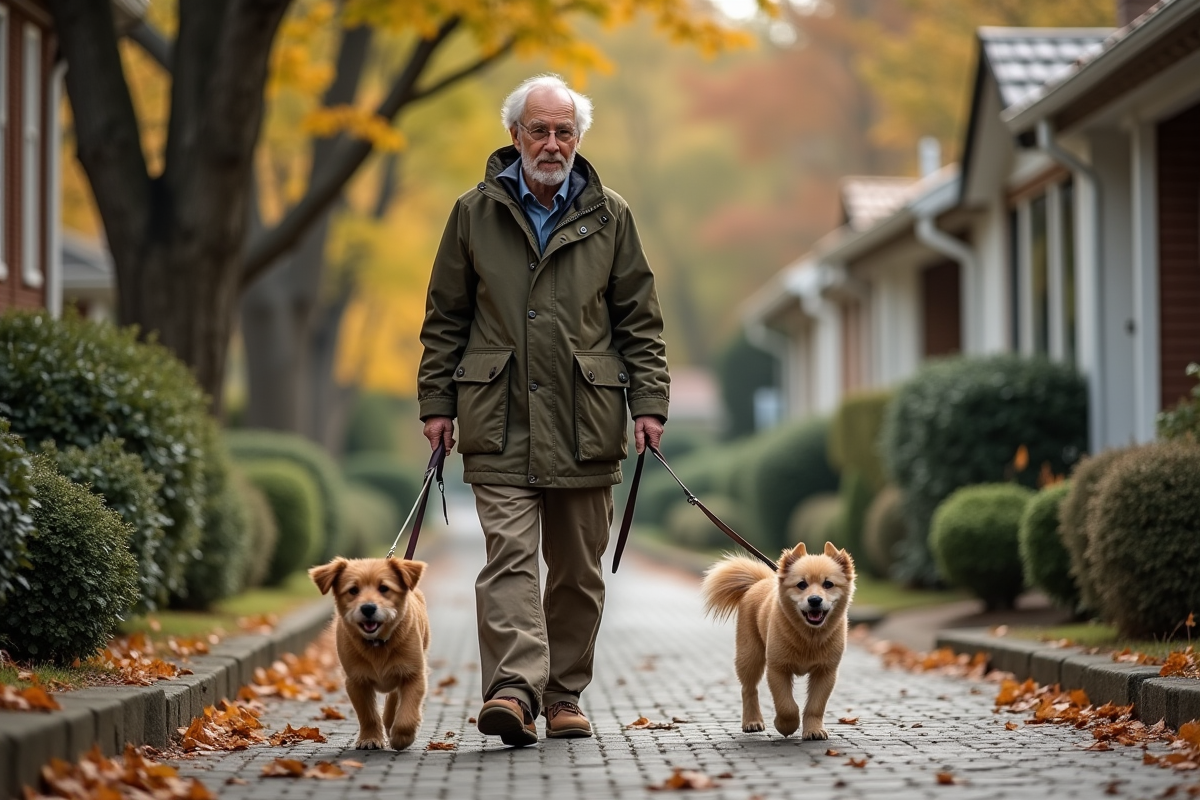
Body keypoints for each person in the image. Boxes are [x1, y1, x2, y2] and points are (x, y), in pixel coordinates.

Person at [417, 74, 670, 747]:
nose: (551, 143)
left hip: (586, 423)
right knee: (508, 560)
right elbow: (445, 318)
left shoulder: (612, 215)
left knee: (579, 572)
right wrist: (437, 403)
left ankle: (563, 696)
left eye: (563, 131)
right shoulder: (472, 213)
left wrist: (649, 404)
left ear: (578, 138)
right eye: (540, 130)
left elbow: (638, 321)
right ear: (515, 135)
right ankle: (513, 689)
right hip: (496, 416)